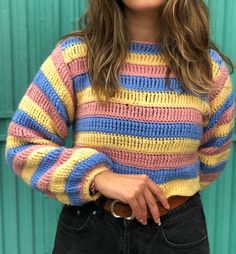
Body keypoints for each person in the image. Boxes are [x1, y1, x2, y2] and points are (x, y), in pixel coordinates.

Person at [5, 0, 235, 253]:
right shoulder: (76, 57)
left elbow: (212, 157)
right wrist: (97, 177)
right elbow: (23, 145)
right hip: (90, 232)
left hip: (176, 233)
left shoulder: (207, 68)